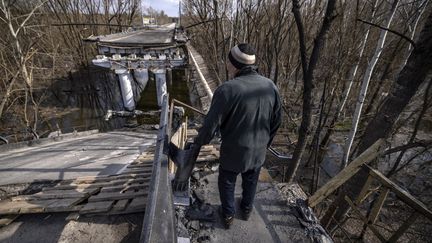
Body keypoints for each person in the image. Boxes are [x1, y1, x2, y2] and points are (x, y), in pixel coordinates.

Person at [193, 43, 282, 229]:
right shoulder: (270, 87)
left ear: (234, 64)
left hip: (234, 150)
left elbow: (210, 126)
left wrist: (197, 144)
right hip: (258, 150)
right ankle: (247, 209)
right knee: (251, 179)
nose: (227, 63)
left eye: (229, 60)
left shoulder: (227, 90)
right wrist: (264, 144)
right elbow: (276, 122)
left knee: (227, 180)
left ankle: (228, 215)